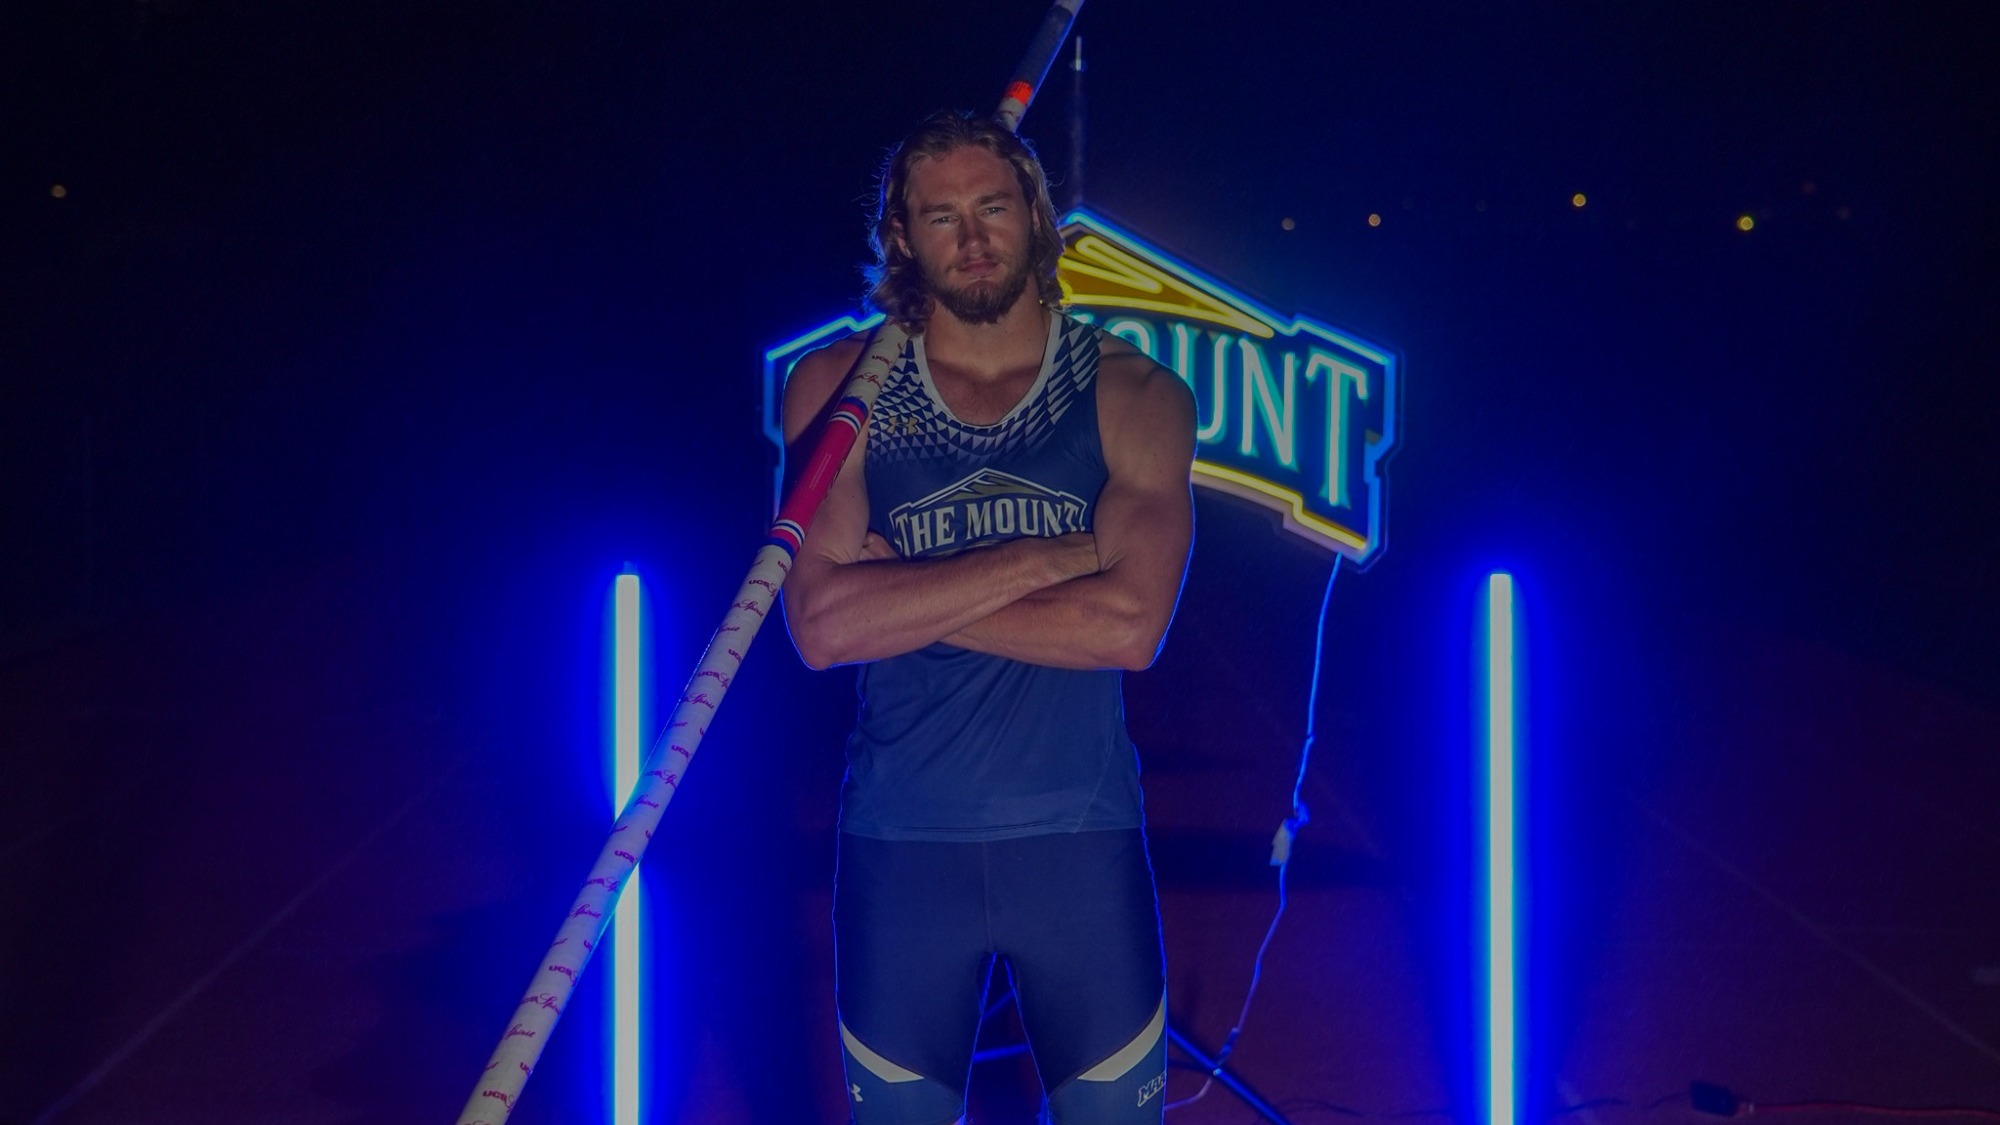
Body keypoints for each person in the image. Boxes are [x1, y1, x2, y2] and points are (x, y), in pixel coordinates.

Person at [780, 108, 1196, 1125]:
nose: (971, 238)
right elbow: (822, 627)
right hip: (900, 849)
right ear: (902, 237)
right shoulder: (838, 389)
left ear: (1035, 215)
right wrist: (1048, 558)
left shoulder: (1131, 392)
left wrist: (907, 594)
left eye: (992, 208)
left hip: (1079, 845)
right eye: (941, 217)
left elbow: (1129, 628)